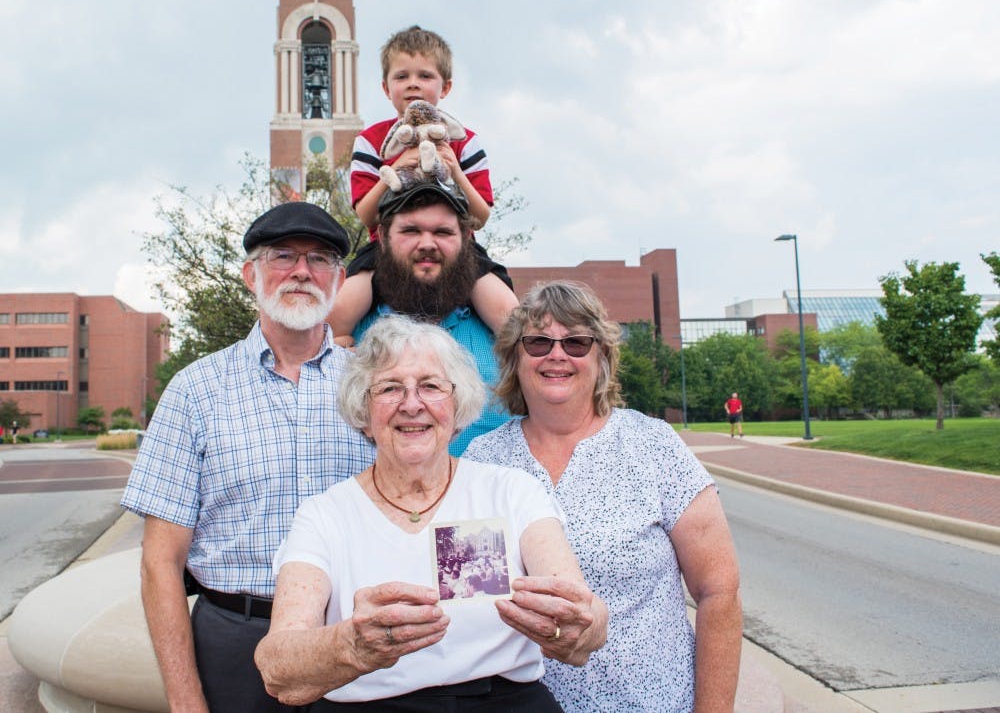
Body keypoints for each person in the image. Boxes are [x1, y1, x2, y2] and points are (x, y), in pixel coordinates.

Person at [254, 315, 607, 710]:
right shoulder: (324, 515)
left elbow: (586, 618)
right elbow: (277, 664)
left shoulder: (509, 491)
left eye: (430, 386)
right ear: (363, 411)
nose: (411, 404)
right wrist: (351, 644)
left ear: (457, 407)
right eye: (389, 388)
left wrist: (574, 626)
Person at [121, 202, 375, 713]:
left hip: (354, 639)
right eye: (283, 255)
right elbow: (160, 562)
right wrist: (186, 702)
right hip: (235, 641)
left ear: (340, 279)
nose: (302, 271)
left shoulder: (375, 385)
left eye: (321, 259)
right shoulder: (195, 390)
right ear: (250, 274)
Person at [465, 281, 742, 712]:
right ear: (514, 358)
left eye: (576, 342)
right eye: (538, 342)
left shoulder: (654, 447)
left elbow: (719, 591)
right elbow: (470, 601)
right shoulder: (483, 461)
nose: (557, 354)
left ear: (602, 358)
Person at [330, 25, 517, 346]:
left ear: (445, 87)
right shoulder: (371, 141)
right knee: (335, 317)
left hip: (458, 250)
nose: (413, 83)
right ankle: (341, 369)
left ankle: (517, 384)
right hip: (387, 250)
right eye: (401, 76)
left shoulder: (464, 141)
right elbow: (366, 216)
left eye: (425, 76)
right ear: (386, 88)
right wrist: (396, 167)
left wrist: (455, 170)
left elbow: (480, 217)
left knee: (512, 319)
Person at [346, 179, 512, 456]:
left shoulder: (505, 335)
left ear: (466, 239)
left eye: (443, 232)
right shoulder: (349, 336)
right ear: (384, 238)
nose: (427, 244)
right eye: (410, 230)